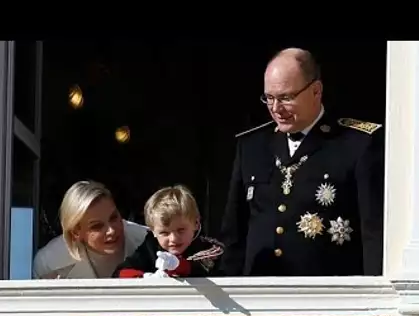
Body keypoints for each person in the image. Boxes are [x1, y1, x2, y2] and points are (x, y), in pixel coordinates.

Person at [219, 47, 385, 277]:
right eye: (269, 98)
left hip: (329, 296)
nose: (276, 109)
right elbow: (234, 235)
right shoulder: (251, 146)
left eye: (286, 98)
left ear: (316, 91)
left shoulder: (356, 144)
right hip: (258, 296)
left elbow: (373, 233)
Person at [33, 180, 149, 279]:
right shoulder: (49, 264)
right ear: (76, 233)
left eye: (113, 217)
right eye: (97, 226)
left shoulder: (148, 241)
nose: (111, 230)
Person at [113, 185, 225, 278]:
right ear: (153, 231)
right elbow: (121, 272)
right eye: (164, 233)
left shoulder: (211, 248)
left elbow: (200, 269)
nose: (174, 239)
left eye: (181, 230)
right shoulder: (151, 246)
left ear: (196, 224)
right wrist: (144, 278)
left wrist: (176, 266)